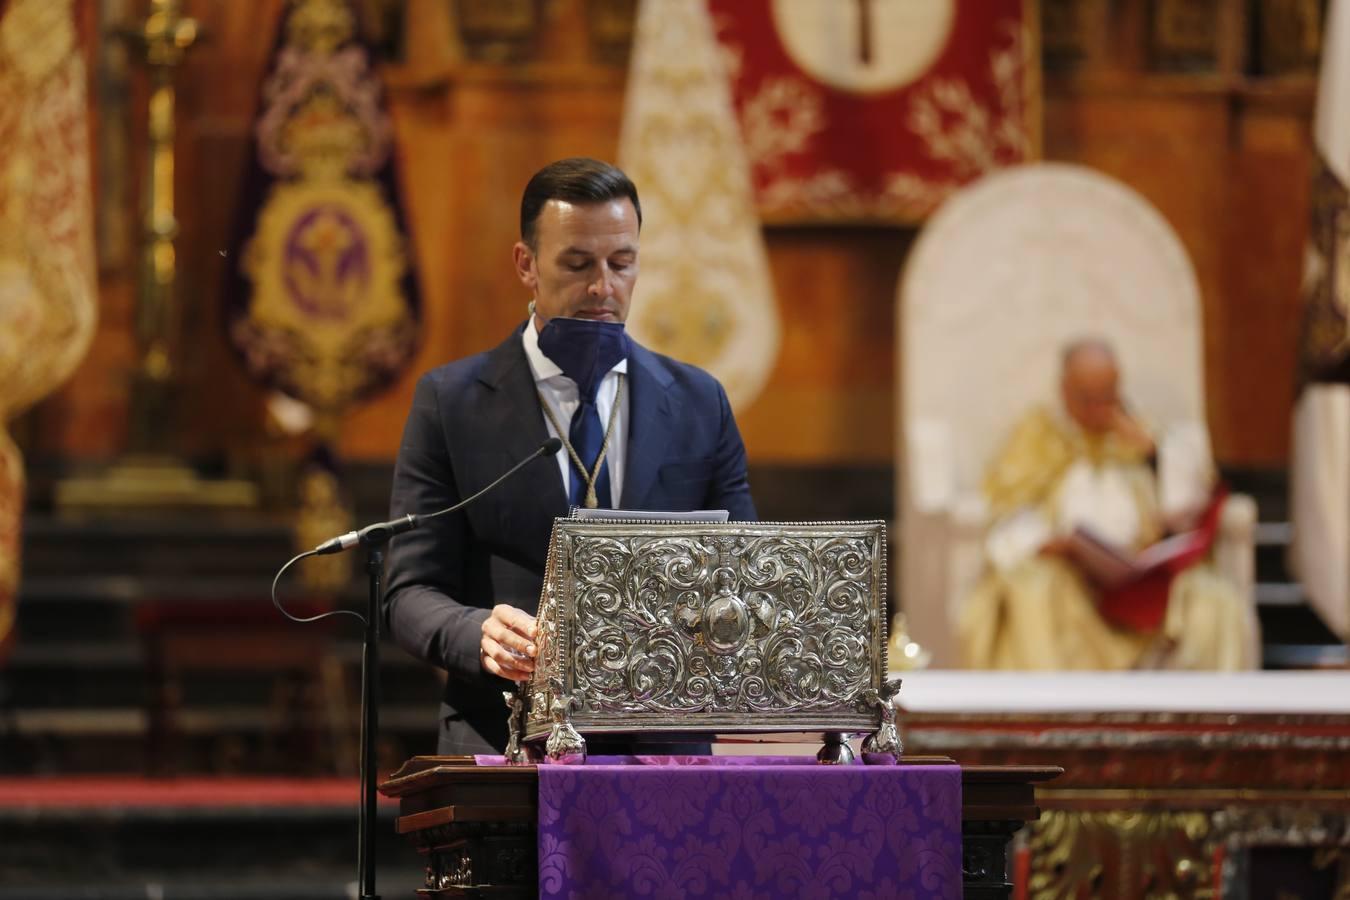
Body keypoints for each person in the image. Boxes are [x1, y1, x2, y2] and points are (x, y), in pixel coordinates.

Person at [383, 158, 757, 754]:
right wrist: (476, 631)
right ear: (526, 265)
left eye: (621, 263)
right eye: (578, 264)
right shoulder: (452, 402)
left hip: (662, 745)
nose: (602, 287)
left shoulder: (698, 402)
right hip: (503, 737)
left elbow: (745, 574)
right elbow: (407, 594)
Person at [958, 338, 1259, 670]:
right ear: (1064, 389)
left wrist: (1153, 457)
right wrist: (1045, 543)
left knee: (1214, 604)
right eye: (1087, 398)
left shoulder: (1143, 435)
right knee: (1034, 590)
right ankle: (1053, 717)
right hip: (1070, 574)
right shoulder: (1039, 437)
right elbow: (1006, 512)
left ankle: (1197, 721)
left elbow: (1189, 512)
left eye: (1107, 397)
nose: (1099, 409)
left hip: (1143, 577)